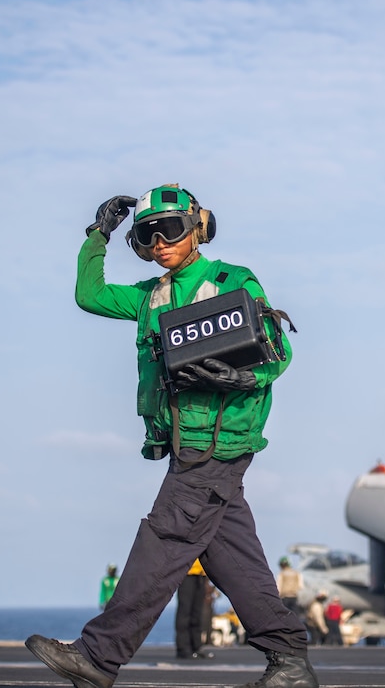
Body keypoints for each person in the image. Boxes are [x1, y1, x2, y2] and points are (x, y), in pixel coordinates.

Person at [26, 185, 317, 688]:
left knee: (165, 539)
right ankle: (288, 661)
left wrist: (247, 378)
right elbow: (89, 295)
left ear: (198, 228)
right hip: (188, 440)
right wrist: (98, 234)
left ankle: (99, 656)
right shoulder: (150, 296)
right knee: (230, 551)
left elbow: (277, 351)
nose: (160, 241)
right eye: (147, 234)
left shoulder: (230, 280)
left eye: (172, 230)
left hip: (219, 441)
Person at [176, 560, 213, 660]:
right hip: (186, 573)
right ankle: (183, 648)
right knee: (185, 611)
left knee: (197, 613)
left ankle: (197, 647)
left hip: (201, 575)